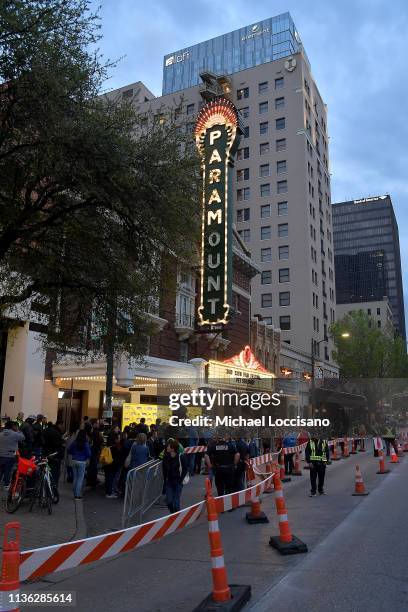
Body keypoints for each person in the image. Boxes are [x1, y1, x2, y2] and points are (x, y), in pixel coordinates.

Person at [162, 439, 188, 513]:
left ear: (173, 449)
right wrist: (165, 481)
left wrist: (180, 480)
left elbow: (185, 469)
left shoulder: (181, 457)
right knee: (169, 501)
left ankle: (176, 517)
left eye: (168, 446)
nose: (167, 447)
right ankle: (173, 513)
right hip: (169, 482)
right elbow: (164, 470)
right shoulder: (166, 457)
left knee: (176, 502)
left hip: (178, 481)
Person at [0, 421, 25, 488]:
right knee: (8, 470)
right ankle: (6, 485)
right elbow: (23, 437)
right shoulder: (14, 434)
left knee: (1, 470)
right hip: (10, 456)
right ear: (12, 427)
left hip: (1, 455)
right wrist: (18, 430)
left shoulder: (1, 434)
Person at [68, 429, 91, 499]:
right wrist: (86, 457)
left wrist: (73, 454)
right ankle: (77, 495)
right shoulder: (85, 443)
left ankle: (75, 493)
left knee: (75, 477)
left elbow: (69, 449)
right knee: (80, 479)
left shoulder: (75, 442)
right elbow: (89, 453)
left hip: (74, 460)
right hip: (82, 462)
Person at [43, 420, 65, 490]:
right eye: (62, 426)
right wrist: (63, 441)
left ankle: (46, 488)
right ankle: (52, 490)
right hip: (54, 456)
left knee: (47, 473)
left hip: (46, 455)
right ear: (60, 425)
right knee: (54, 474)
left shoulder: (46, 430)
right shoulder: (56, 433)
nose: (63, 427)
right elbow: (57, 444)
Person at [87, 420, 104, 486]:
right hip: (95, 450)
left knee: (92, 466)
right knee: (93, 466)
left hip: (93, 450)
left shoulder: (92, 431)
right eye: (97, 423)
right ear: (94, 424)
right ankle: (92, 480)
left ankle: (90, 480)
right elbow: (101, 440)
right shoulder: (96, 432)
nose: (98, 424)